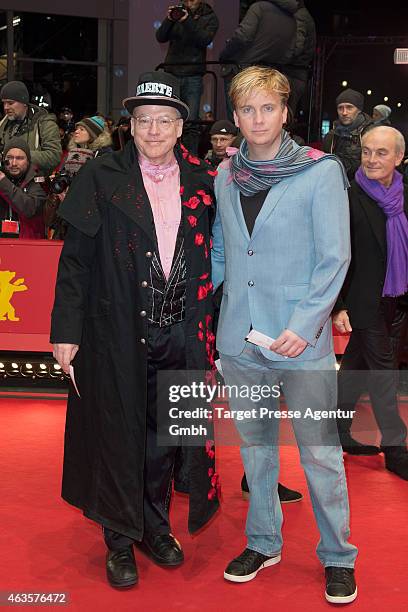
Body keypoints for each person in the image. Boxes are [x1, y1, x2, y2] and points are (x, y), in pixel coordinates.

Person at [50, 70, 219, 589]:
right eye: (143, 120)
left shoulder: (202, 181)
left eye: (163, 120)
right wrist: (65, 331)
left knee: (165, 440)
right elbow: (74, 262)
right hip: (116, 330)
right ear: (131, 125)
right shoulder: (101, 176)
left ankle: (153, 525)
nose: (152, 130)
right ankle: (119, 538)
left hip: (182, 333)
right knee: (118, 435)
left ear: (179, 126)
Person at [212, 66, 358, 603]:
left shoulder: (320, 173)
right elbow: (226, 250)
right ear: (234, 115)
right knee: (255, 452)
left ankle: (338, 555)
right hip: (241, 340)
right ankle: (264, 540)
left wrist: (304, 325)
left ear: (285, 112)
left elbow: (334, 257)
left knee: (320, 453)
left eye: (267, 108)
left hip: (300, 342)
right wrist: (215, 309)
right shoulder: (227, 175)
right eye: (246, 109)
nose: (257, 119)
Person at [333, 126, 408, 480]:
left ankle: (336, 433)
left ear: (398, 157)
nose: (372, 159)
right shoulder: (348, 197)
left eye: (381, 153)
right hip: (364, 300)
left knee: (355, 368)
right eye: (366, 151)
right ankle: (396, 450)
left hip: (396, 298)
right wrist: (339, 303)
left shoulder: (403, 195)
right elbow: (335, 254)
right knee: (382, 374)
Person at [156, 0, 219, 152]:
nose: (189, 2)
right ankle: (168, 154)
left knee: (191, 122)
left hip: (193, 75)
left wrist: (186, 21)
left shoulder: (209, 16)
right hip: (172, 73)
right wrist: (169, 20)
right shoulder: (177, 13)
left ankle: (190, 160)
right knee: (169, 118)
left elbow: (204, 39)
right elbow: (161, 36)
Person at [219, 0, 297, 121]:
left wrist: (224, 55)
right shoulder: (292, 18)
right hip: (272, 76)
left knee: (240, 117)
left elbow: (242, 36)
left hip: (243, 71)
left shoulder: (259, 8)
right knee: (264, 120)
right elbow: (290, 53)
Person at [0, 80, 61, 175]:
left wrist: (22, 155)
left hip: (36, 184)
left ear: (24, 102)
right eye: (4, 103)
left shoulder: (45, 123)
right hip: (7, 182)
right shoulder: (4, 124)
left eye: (10, 103)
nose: (6, 107)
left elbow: (54, 157)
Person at [0, 137, 46, 239]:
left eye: (20, 158)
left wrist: (3, 182)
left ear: (28, 161)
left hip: (28, 246)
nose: (14, 163)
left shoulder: (38, 180)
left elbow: (30, 209)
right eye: (9, 158)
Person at [323, 88, 373, 180]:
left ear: (359, 110)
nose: (344, 112)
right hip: (336, 185)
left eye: (349, 107)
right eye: (340, 108)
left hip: (362, 188)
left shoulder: (371, 134)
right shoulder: (331, 136)